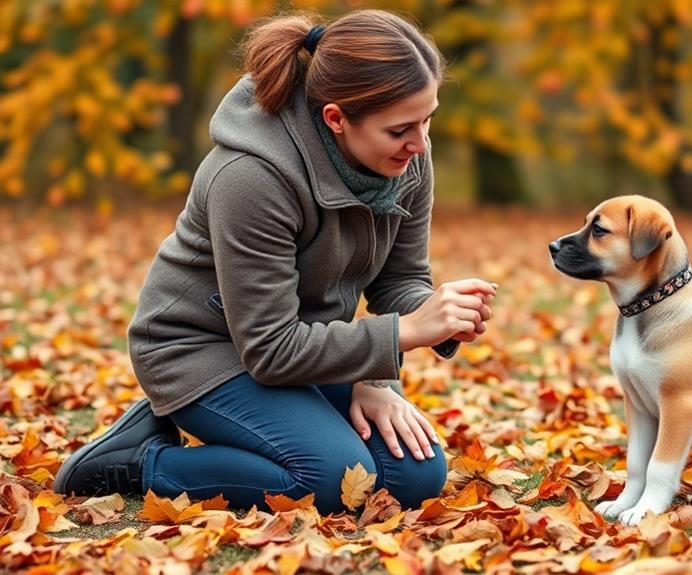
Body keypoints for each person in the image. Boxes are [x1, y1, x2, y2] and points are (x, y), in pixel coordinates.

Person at [54, 9, 496, 514]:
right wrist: (405, 334)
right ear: (336, 119)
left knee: (412, 474)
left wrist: (405, 352)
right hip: (200, 351)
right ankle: (143, 459)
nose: (419, 145)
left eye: (428, 120)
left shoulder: (407, 153)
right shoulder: (251, 176)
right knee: (327, 480)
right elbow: (269, 349)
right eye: (400, 130)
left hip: (301, 344)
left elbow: (400, 281)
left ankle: (265, 434)